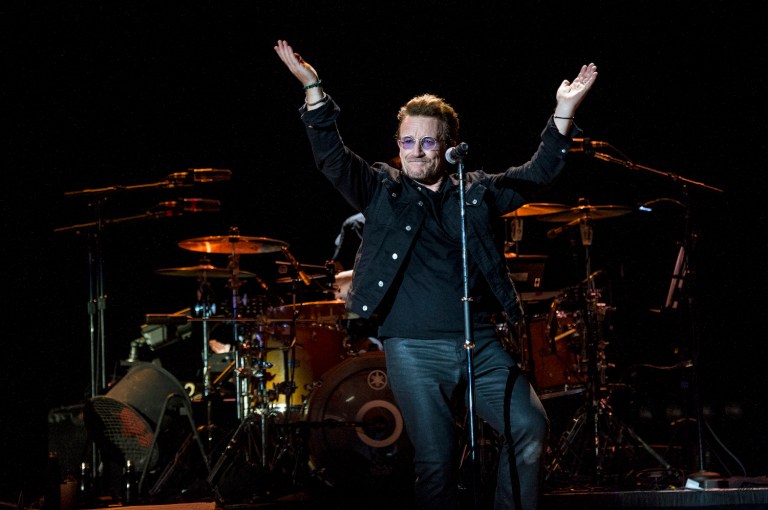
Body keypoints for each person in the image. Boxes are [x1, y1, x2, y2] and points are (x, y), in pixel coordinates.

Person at [274, 39, 597, 509]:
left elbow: (537, 173)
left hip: (479, 344)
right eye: (407, 141)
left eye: (427, 141)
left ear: (448, 147)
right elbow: (332, 157)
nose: (415, 151)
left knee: (528, 427)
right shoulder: (381, 189)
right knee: (437, 461)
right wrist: (313, 88)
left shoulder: (476, 192)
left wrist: (563, 112)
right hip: (413, 349)